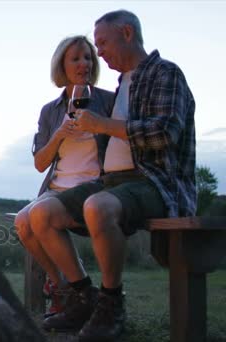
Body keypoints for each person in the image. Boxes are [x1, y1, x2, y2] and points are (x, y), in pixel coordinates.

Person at [29, 9, 196, 341]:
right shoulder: (123, 83)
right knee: (40, 213)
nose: (98, 53)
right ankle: (82, 296)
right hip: (113, 182)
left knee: (97, 206)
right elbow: (42, 159)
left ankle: (111, 304)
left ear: (128, 34)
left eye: (102, 43)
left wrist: (101, 125)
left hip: (154, 181)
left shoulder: (165, 73)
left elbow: (165, 134)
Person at [14, 35, 114, 317]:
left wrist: (100, 125)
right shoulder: (50, 111)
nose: (84, 63)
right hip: (56, 187)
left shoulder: (107, 100)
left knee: (38, 216)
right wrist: (59, 134)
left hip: (95, 186)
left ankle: (82, 294)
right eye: (76, 58)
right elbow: (39, 163)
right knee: (23, 223)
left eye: (88, 57)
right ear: (62, 65)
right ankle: (64, 291)